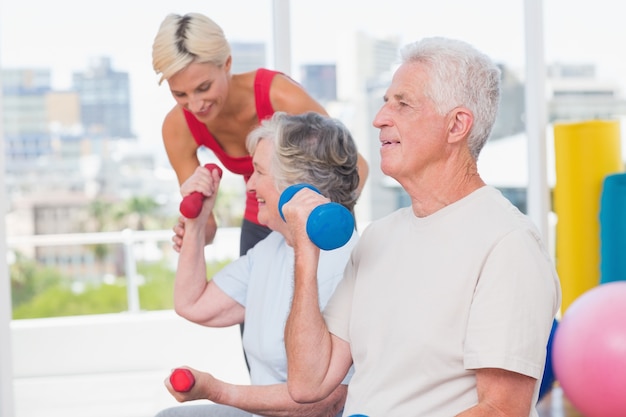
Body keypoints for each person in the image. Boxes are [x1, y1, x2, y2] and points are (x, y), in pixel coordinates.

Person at [282, 37, 562, 416]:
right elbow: (308, 382)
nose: (379, 118)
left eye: (402, 104)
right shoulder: (378, 236)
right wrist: (305, 256)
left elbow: (501, 410)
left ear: (457, 125)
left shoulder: (508, 243)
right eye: (385, 102)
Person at [155, 111, 360, 417]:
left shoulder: (345, 263)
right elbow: (193, 303)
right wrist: (196, 225)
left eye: (259, 173)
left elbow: (324, 404)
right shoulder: (272, 248)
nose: (250, 186)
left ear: (298, 185)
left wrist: (216, 390)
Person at [151, 12, 369, 255]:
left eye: (204, 88)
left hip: (319, 217)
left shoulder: (280, 96)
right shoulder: (177, 127)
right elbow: (208, 232)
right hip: (260, 219)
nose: (195, 104)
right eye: (180, 94)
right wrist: (192, 229)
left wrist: (321, 222)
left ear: (227, 63)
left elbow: (358, 167)